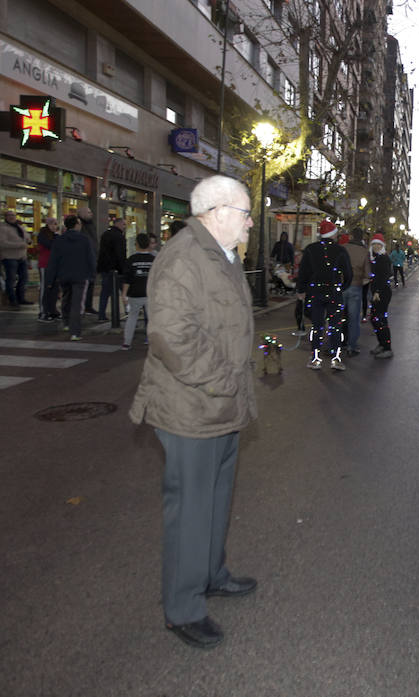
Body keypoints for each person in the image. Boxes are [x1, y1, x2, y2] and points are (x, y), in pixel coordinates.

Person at [129, 174, 258, 650]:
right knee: (190, 510)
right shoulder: (184, 257)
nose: (250, 222)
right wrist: (226, 380)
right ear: (218, 212)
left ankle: (211, 575)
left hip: (221, 407)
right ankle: (183, 608)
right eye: (244, 213)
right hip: (192, 407)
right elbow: (171, 336)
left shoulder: (220, 255)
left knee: (216, 500)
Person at [296, 219, 352, 371]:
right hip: (334, 292)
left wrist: (301, 290)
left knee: (317, 326)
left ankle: (315, 358)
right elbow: (348, 274)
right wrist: (342, 287)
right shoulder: (341, 251)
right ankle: (336, 358)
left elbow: (303, 273)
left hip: (315, 292)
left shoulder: (310, 249)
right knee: (335, 327)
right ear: (333, 235)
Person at [45, 215, 94, 341]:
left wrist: (50, 279)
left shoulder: (59, 240)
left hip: (64, 275)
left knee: (66, 298)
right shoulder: (84, 239)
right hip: (80, 275)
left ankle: (66, 323)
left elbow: (53, 261)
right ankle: (75, 332)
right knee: (77, 303)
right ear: (77, 225)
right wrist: (92, 273)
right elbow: (90, 258)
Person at [120, 233, 155, 349]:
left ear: (137, 244)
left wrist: (124, 294)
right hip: (150, 293)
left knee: (132, 317)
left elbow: (127, 279)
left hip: (134, 293)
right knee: (152, 319)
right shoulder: (153, 259)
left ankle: (127, 343)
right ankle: (153, 342)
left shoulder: (132, 259)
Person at [342, 227, 370, 357]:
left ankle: (335, 344)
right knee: (354, 319)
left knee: (337, 316)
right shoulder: (364, 252)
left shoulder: (343, 248)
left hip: (341, 286)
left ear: (351, 236)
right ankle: (351, 346)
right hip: (355, 286)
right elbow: (368, 274)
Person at [96, 217, 127, 321]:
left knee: (105, 292)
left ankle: (101, 315)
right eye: (123, 224)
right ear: (118, 224)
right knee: (124, 291)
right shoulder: (119, 237)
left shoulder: (105, 234)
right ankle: (128, 312)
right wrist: (123, 269)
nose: (125, 227)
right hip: (116, 269)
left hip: (105, 268)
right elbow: (120, 255)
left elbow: (102, 252)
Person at [0, 209, 31, 309]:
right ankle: (13, 300)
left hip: (22, 257)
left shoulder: (19, 227)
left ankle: (20, 298)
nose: (12, 217)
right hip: (10, 257)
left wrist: (28, 239)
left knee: (24, 278)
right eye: (9, 215)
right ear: (6, 217)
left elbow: (26, 236)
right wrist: (20, 245)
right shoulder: (3, 228)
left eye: (13, 215)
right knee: (11, 279)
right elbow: (2, 243)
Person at [369, 233, 393, 358]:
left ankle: (387, 347)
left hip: (382, 293)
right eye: (374, 244)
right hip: (376, 293)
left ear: (382, 245)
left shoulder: (383, 258)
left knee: (380, 320)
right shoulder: (375, 258)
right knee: (374, 319)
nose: (376, 246)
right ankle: (382, 344)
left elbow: (384, 276)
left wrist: (377, 291)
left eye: (379, 244)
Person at [37, 217, 60, 321]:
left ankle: (52, 310)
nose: (54, 226)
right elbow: (51, 246)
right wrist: (57, 237)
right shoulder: (42, 235)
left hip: (55, 265)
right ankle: (43, 312)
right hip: (45, 265)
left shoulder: (56, 236)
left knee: (54, 289)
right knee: (45, 288)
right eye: (52, 224)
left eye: (56, 224)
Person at [77, 206, 98, 314]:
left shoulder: (91, 225)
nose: (91, 214)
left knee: (91, 284)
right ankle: (82, 307)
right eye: (89, 212)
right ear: (81, 213)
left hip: (92, 258)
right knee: (84, 285)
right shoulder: (80, 225)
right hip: (84, 260)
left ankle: (88, 306)